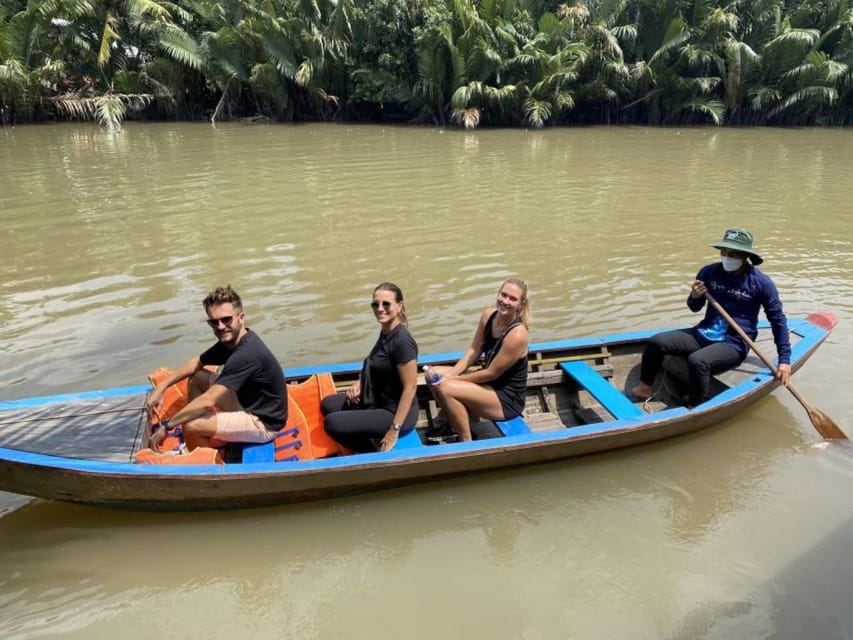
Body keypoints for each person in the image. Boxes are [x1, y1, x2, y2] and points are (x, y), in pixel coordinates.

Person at [631, 228, 791, 408]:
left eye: (734, 254)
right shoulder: (709, 272)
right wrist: (695, 295)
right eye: (724, 252)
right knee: (656, 342)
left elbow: (778, 320)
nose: (727, 257)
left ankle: (696, 407)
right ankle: (645, 387)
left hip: (734, 342)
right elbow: (694, 307)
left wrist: (784, 361)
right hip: (704, 333)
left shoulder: (761, 283)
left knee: (698, 361)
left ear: (745, 256)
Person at [145, 285, 287, 451]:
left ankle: (205, 459)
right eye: (214, 322)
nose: (220, 326)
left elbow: (208, 400)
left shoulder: (246, 354)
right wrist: (162, 387)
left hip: (263, 423)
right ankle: (204, 431)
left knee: (191, 425)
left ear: (241, 317)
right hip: (246, 402)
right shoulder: (232, 341)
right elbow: (196, 362)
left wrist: (166, 426)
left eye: (226, 320)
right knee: (197, 377)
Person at [426, 278, 531, 442]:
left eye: (512, 298)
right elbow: (474, 350)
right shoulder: (488, 315)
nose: (505, 301)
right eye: (503, 295)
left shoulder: (517, 335)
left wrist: (453, 379)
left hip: (505, 399)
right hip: (487, 386)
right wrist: (452, 373)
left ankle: (466, 440)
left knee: (445, 387)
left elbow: (491, 374)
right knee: (432, 373)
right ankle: (451, 425)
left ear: (521, 304)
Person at [320, 282, 419, 453]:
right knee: (328, 405)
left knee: (332, 423)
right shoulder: (386, 331)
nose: (380, 308)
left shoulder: (402, 342)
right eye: (375, 304)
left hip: (395, 413)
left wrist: (394, 430)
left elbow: (410, 388)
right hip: (377, 398)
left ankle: (370, 452)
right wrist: (360, 383)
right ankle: (368, 431)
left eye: (386, 304)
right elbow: (376, 364)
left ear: (399, 306)